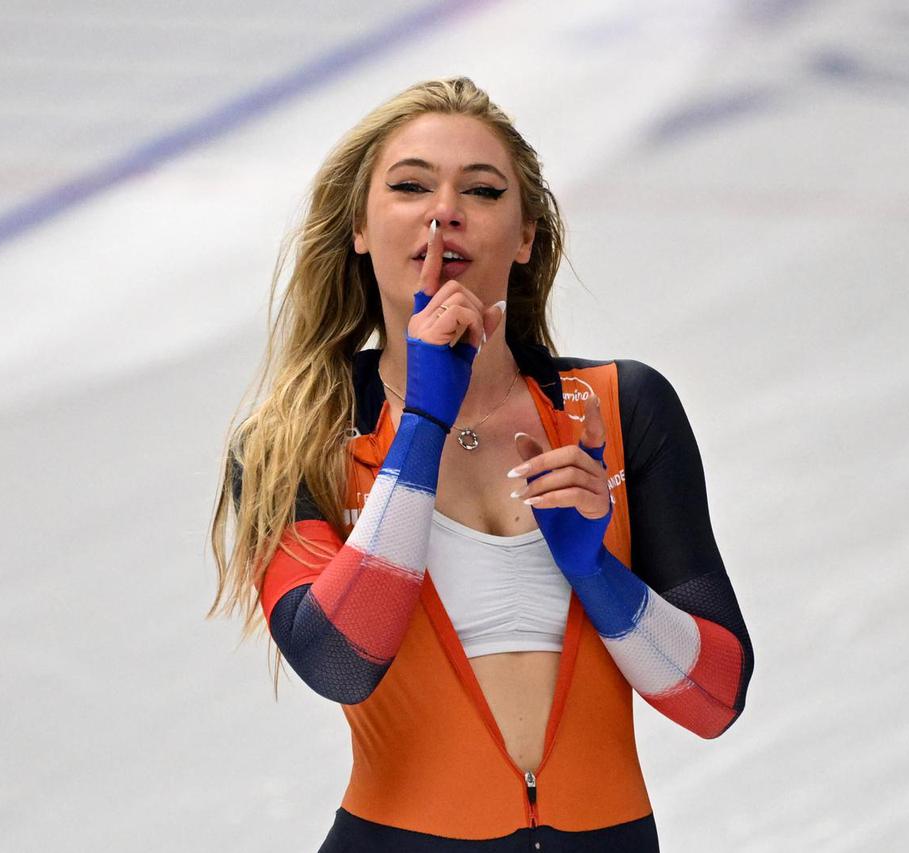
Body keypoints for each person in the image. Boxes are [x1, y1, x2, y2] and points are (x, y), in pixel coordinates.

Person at [208, 76, 754, 852]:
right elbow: (337, 662)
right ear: (358, 229)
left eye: (483, 189)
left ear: (525, 235)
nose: (444, 210)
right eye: (409, 186)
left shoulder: (619, 409)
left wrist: (596, 571)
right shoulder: (294, 438)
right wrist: (424, 422)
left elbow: (715, 695)